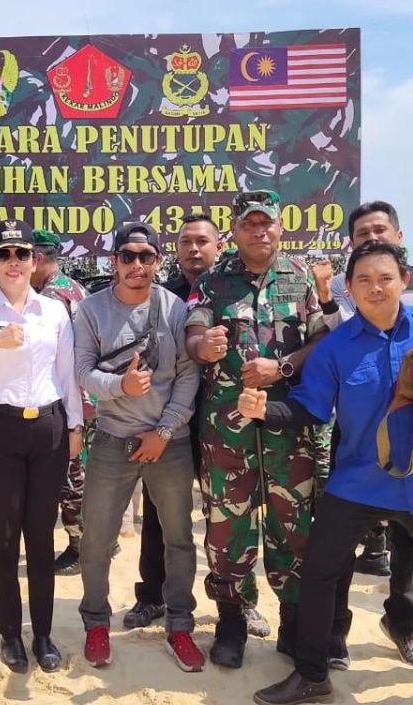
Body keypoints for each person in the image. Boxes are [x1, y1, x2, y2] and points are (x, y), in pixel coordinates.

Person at [248, 240, 413, 705]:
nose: (375, 287)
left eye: (385, 277)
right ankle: (312, 676)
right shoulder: (335, 349)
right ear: (348, 288)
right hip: (358, 482)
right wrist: (268, 410)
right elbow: (310, 407)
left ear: (404, 280)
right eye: (363, 279)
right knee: (322, 572)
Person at [310, 200, 413, 668]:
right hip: (358, 439)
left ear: (400, 241)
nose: (375, 286)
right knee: (336, 553)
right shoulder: (340, 292)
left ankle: (404, 626)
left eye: (379, 231)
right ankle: (331, 642)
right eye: (361, 235)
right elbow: (333, 350)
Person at [185, 189, 328, 668]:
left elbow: (322, 344)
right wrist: (203, 346)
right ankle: (231, 619)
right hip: (228, 428)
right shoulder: (214, 280)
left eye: (266, 223)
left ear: (280, 225)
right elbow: (194, 330)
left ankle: (291, 621)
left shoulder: (300, 278)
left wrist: (282, 368)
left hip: (289, 427)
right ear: (236, 229)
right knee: (228, 525)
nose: (259, 231)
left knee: (295, 525)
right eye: (250, 224)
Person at [0, 219, 83, 673]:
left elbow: (67, 373)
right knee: (5, 535)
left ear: (34, 261)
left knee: (41, 534)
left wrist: (76, 424)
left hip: (47, 428)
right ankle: (10, 634)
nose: (12, 263)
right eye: (3, 255)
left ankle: (42, 634)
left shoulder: (54, 311)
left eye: (20, 254)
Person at [73, 222, 205, 672]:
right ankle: (95, 623)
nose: (136, 264)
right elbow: (84, 372)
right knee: (96, 540)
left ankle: (180, 625)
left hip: (169, 443)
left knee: (180, 540)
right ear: (114, 261)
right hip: (112, 441)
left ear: (157, 262)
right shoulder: (91, 310)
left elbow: (189, 377)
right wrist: (120, 385)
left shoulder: (174, 309)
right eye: (127, 256)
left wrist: (164, 432)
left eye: (145, 256)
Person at [127, 214, 264, 632]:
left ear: (218, 246)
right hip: (173, 424)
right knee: (158, 512)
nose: (193, 249)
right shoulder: (162, 299)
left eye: (202, 241)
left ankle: (241, 600)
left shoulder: (232, 293)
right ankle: (152, 596)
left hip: (226, 425)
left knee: (233, 515)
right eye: (185, 242)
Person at [31, 229, 92, 574]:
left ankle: (79, 546)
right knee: (80, 470)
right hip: (84, 394)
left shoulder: (51, 297)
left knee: (71, 474)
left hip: (68, 396)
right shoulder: (74, 287)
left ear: (38, 259)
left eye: (27, 258)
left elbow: (51, 354)